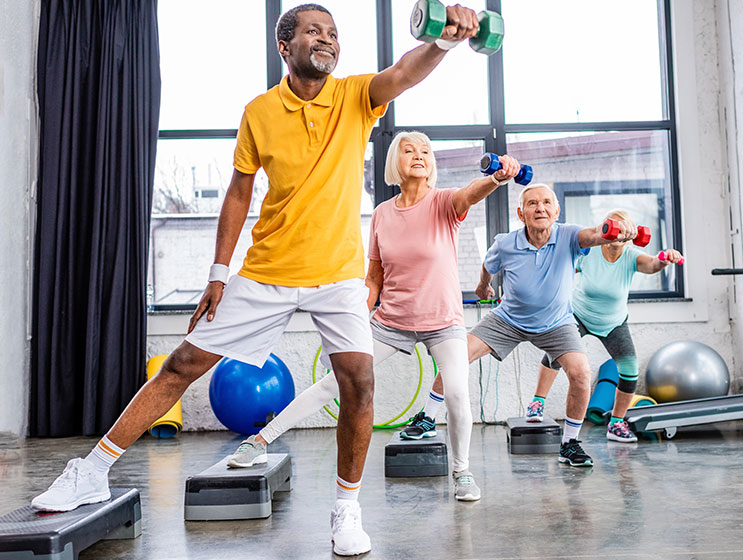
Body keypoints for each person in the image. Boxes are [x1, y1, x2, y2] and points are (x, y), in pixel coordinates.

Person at [31, 4, 482, 556]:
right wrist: (219, 273)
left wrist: (445, 43)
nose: (327, 40)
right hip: (267, 269)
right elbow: (239, 192)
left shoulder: (357, 97)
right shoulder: (259, 111)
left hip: (338, 275)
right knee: (183, 365)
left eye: (334, 33)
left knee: (359, 384)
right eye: (314, 31)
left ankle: (345, 510)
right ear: (284, 47)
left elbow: (405, 71)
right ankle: (92, 469)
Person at [226, 131, 521, 503]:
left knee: (458, 395)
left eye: (426, 151)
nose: (419, 155)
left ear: (432, 163)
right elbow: (374, 278)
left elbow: (469, 194)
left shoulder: (445, 203)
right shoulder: (382, 214)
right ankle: (260, 441)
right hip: (391, 321)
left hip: (443, 322)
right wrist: (353, 321)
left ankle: (462, 471)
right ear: (394, 163)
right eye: (409, 150)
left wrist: (495, 179)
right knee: (334, 384)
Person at [405, 184, 637, 468]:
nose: (540, 208)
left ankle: (569, 444)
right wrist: (483, 287)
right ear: (520, 213)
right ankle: (428, 417)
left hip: (557, 323)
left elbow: (595, 234)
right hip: (508, 319)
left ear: (557, 210)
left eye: (546, 203)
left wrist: (615, 228)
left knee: (581, 372)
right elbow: (488, 267)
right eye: (532, 203)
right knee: (456, 356)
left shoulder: (569, 235)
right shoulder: (505, 242)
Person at [529, 209, 684, 443]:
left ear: (631, 233)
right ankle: (537, 403)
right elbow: (563, 269)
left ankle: (616, 424)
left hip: (613, 322)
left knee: (629, 368)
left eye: (625, 230)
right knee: (554, 355)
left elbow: (652, 265)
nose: (619, 234)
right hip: (579, 315)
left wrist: (664, 259)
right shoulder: (589, 252)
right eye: (615, 228)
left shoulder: (632, 256)